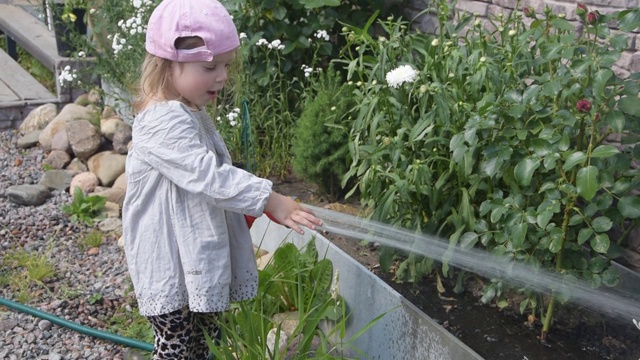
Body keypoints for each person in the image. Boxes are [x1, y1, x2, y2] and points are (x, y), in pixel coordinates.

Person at [121, 0, 323, 358]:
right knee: (177, 351)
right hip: (171, 264)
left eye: (226, 66)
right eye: (210, 66)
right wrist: (269, 199)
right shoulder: (161, 122)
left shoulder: (185, 111)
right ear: (167, 65)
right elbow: (208, 176)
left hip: (193, 260)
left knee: (206, 345)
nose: (223, 76)